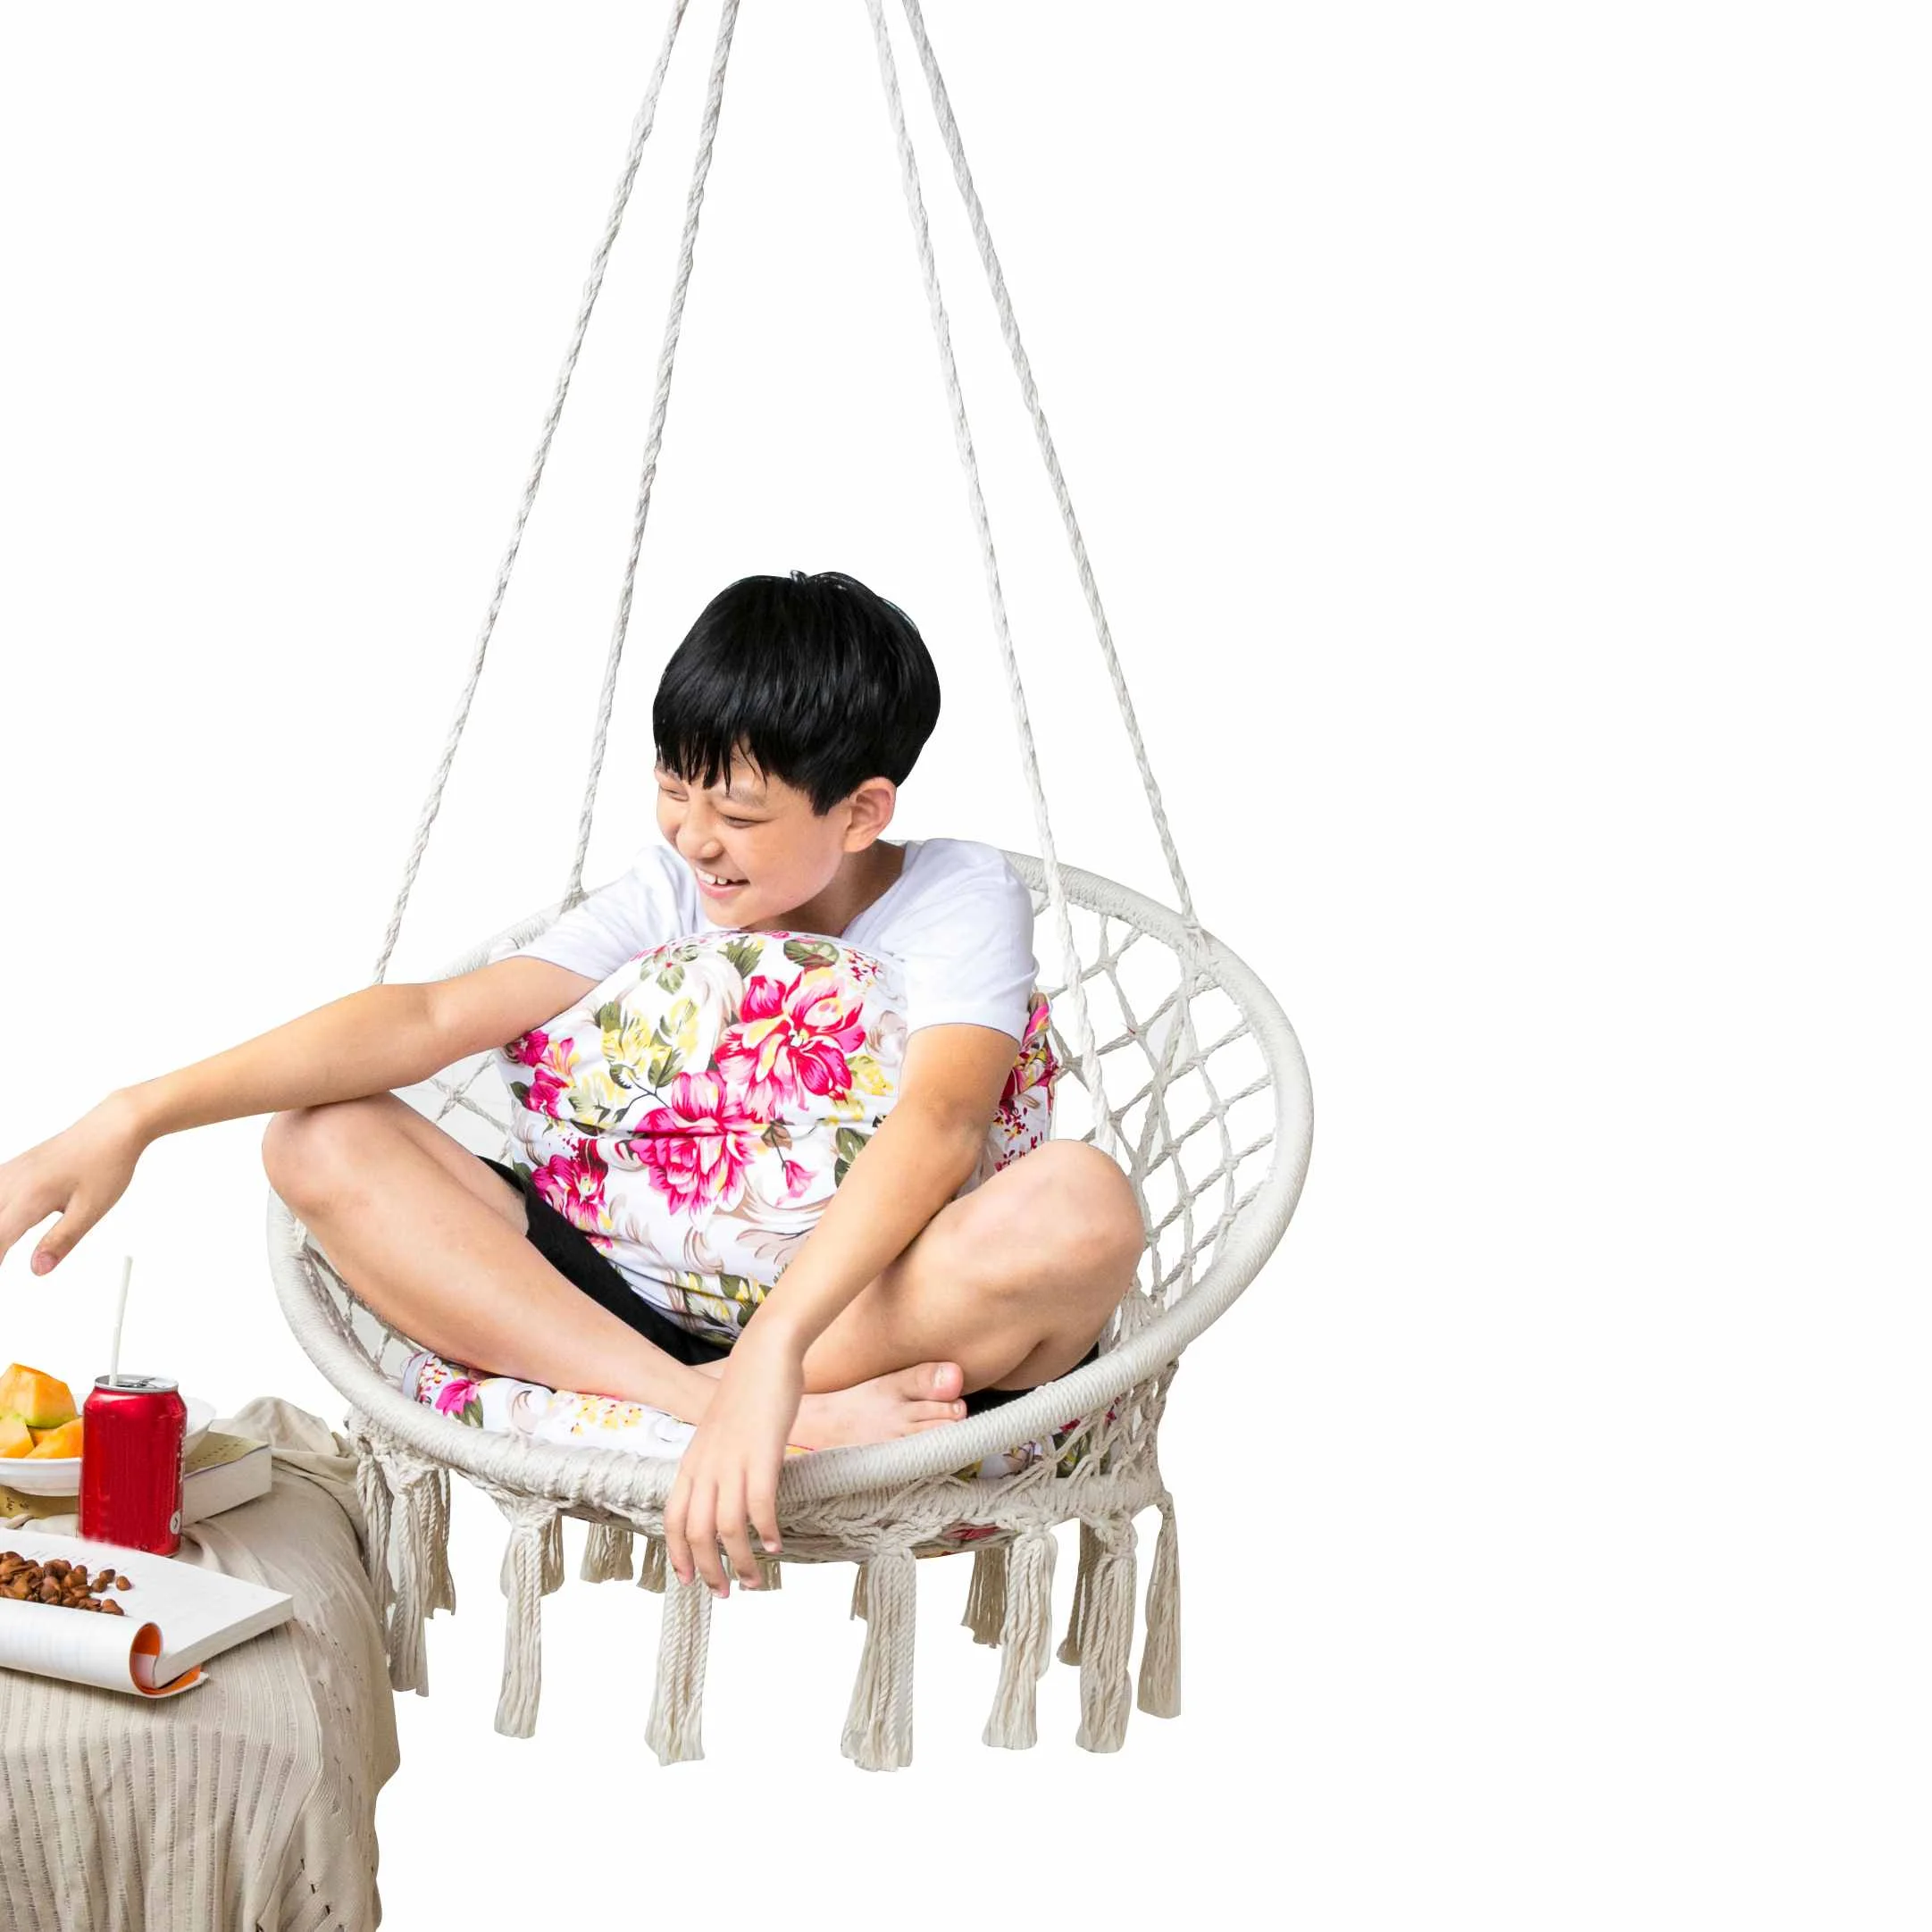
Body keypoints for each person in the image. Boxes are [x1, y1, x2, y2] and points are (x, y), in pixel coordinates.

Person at [0, 569, 1144, 1602]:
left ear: (862, 811)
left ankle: (735, 1391)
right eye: (675, 790)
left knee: (1081, 1204)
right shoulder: (672, 889)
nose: (696, 838)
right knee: (316, 1140)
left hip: (865, 1316)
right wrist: (135, 1114)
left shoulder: (955, 896)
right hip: (622, 1307)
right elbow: (433, 1019)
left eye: (740, 813)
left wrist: (780, 1353)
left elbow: (943, 1121)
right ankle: (695, 1403)